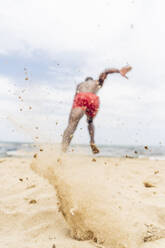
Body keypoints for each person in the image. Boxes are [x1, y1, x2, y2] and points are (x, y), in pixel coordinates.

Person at [62, 65, 132, 154]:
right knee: (90, 121)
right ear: (91, 80)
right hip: (93, 99)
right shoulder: (96, 82)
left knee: (71, 125)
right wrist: (119, 71)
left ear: (86, 80)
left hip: (81, 97)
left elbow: (76, 97)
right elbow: (105, 71)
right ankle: (92, 141)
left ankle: (63, 149)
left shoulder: (80, 85)